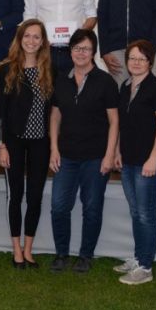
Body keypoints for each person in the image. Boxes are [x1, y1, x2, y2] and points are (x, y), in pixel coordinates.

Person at [49, 29, 119, 274]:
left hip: (95, 157)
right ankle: (61, 254)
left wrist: (110, 154)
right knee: (58, 205)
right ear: (70, 51)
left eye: (86, 49)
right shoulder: (61, 79)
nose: (80, 53)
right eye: (77, 48)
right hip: (66, 156)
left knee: (91, 207)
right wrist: (53, 148)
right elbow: (55, 116)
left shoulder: (106, 81)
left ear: (94, 52)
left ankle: (86, 255)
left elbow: (114, 121)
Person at [113, 39, 156, 285]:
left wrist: (154, 159)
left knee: (146, 214)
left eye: (141, 58)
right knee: (136, 212)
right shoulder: (125, 87)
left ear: (151, 62)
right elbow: (121, 125)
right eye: (132, 58)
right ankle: (138, 258)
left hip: (148, 163)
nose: (136, 63)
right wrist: (116, 151)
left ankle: (146, 267)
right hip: (128, 160)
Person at [0, 19, 54, 269]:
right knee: (15, 196)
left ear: (43, 41)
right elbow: (0, 112)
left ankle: (29, 249)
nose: (31, 41)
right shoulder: (6, 69)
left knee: (35, 196)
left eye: (36, 37)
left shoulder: (51, 69)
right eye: (27, 36)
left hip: (41, 143)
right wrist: (1, 145)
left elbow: (54, 111)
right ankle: (16, 249)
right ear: (20, 39)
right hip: (14, 142)